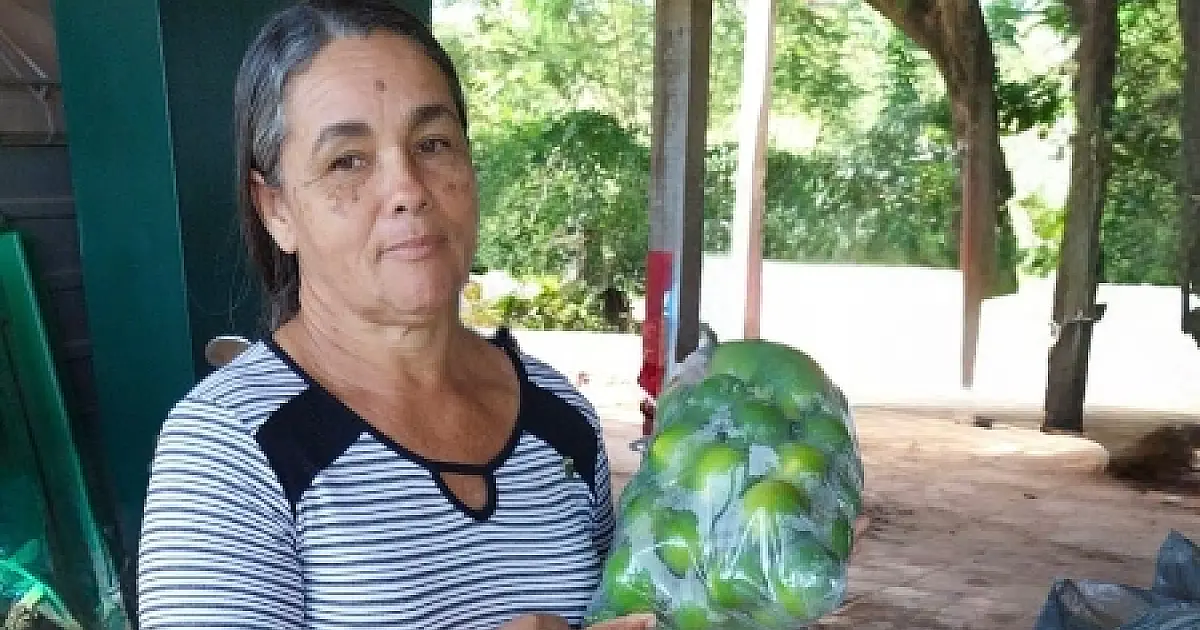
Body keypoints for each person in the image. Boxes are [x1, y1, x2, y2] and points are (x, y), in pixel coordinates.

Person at [135, 2, 654, 628]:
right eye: (347, 160)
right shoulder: (229, 447)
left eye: (432, 144)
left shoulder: (561, 418)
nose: (408, 188)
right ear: (276, 208)